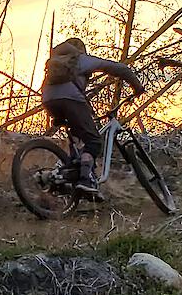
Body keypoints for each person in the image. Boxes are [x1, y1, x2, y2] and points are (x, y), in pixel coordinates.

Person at [41, 38, 146, 196]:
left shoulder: (54, 62)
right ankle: (85, 180)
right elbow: (120, 69)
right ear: (80, 50)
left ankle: (64, 176)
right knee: (94, 141)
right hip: (71, 99)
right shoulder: (80, 59)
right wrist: (137, 87)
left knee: (78, 137)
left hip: (49, 100)